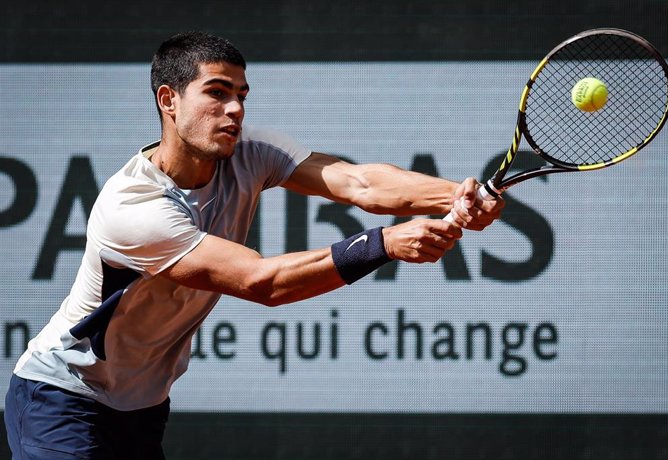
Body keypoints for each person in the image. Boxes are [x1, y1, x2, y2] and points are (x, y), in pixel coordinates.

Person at [4, 31, 504, 459]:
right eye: (217, 93)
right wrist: (385, 243)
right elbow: (260, 281)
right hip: (62, 395)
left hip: (143, 405)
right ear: (169, 100)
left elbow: (360, 183)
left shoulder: (252, 153)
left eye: (242, 94)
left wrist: (459, 195)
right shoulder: (132, 206)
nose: (236, 109)